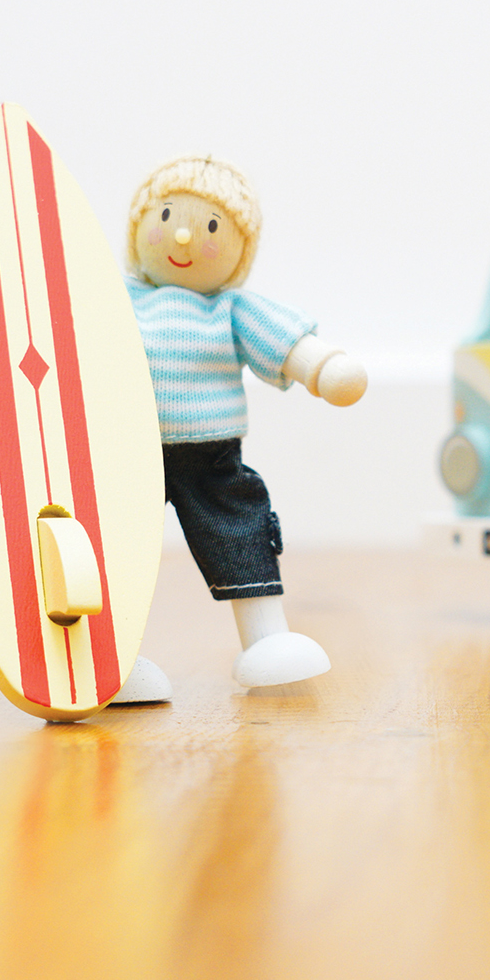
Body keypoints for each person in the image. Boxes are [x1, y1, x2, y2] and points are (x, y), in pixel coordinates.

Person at [114, 154, 366, 702]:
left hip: (212, 458)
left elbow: (286, 341)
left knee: (240, 529)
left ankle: (266, 639)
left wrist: (323, 367)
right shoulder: (118, 299)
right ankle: (107, 654)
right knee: (112, 543)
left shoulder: (229, 309)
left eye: (210, 226)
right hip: (121, 452)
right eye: (166, 216)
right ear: (138, 230)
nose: (183, 236)